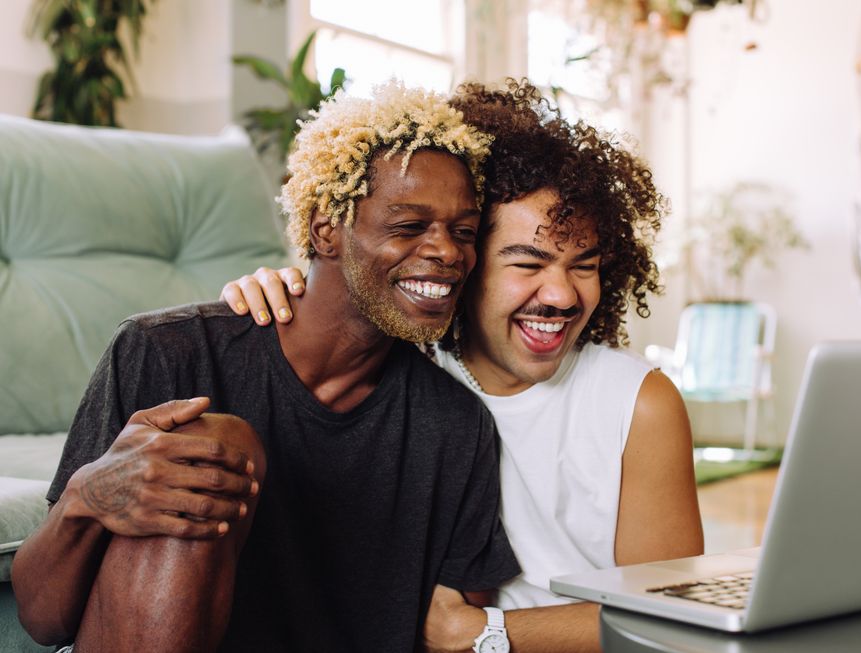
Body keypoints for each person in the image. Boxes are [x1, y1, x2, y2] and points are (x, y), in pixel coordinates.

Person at [12, 82, 521, 653]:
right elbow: (42, 618)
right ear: (326, 230)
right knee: (209, 446)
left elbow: (454, 629)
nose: (449, 252)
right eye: (408, 226)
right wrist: (89, 494)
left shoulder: (456, 427)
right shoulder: (169, 353)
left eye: (464, 232)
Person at [223, 80, 704, 653]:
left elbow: (674, 618)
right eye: (528, 262)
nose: (562, 295)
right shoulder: (406, 368)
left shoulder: (637, 404)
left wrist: (487, 634)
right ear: (466, 263)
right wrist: (278, 289)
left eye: (585, 265)